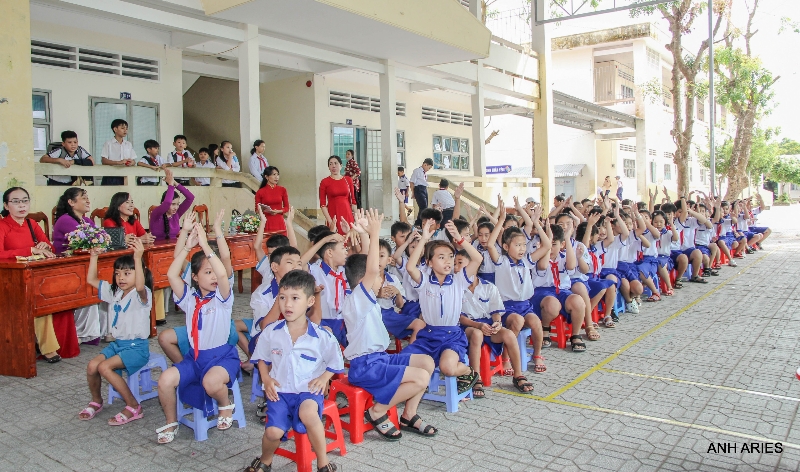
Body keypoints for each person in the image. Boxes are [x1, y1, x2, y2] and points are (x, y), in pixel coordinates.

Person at [342, 209, 437, 441]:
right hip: (365, 366)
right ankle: (377, 410)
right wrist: (375, 234)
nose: (380, 277)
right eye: (376, 276)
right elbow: (371, 268)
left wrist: (364, 232)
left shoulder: (367, 298)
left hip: (380, 358)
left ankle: (409, 414)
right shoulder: (357, 299)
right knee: (421, 378)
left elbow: (366, 263)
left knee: (427, 362)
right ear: (364, 279)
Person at [245, 270, 344, 472]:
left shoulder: (321, 336)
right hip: (280, 393)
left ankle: (323, 463)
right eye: (282, 297)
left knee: (308, 413)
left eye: (295, 298)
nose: (287, 304)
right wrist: (266, 378)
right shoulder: (271, 332)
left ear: (310, 301)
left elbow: (335, 361)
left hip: (307, 391)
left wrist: (325, 377)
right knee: (272, 432)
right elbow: (261, 359)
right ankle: (265, 461)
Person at [155, 222, 239, 444]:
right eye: (207, 272)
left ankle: (225, 404)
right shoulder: (190, 299)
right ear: (194, 277)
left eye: (214, 271)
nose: (213, 276)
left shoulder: (222, 299)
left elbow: (223, 276)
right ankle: (171, 422)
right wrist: (187, 247)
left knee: (211, 383)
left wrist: (206, 247)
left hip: (222, 357)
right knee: (165, 380)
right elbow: (172, 275)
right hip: (195, 358)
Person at [403, 220, 482, 393]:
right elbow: (410, 266)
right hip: (427, 336)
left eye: (450, 257)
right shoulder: (424, 282)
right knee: (403, 361)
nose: (448, 261)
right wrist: (424, 239)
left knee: (448, 368)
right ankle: (415, 389)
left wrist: (460, 240)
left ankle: (470, 372)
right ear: (430, 263)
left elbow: (477, 258)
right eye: (441, 257)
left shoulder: (458, 280)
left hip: (451, 336)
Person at [79, 239, 152, 425]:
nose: (121, 278)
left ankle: (134, 406)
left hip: (136, 348)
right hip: (118, 345)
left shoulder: (142, 295)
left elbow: (141, 286)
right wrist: (94, 257)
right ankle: (96, 401)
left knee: (104, 367)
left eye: (127, 273)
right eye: (118, 273)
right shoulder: (116, 292)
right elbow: (91, 280)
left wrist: (138, 257)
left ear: (139, 273)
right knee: (92, 366)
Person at [486, 202, 551, 373]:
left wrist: (536, 222)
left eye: (523, 245)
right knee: (517, 321)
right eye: (517, 245)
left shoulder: (526, 262)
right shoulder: (501, 262)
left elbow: (547, 245)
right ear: (506, 247)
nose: (522, 249)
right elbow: (491, 245)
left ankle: (537, 355)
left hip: (525, 305)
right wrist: (500, 220)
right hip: (506, 307)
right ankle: (506, 358)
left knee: (536, 323)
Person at [0, 187, 63, 362]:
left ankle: (47, 347)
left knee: (44, 301)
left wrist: (46, 247)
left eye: (25, 200)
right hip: (9, 279)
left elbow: (51, 247)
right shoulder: (2, 225)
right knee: (35, 301)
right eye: (16, 201)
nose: (22, 205)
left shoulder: (31, 224)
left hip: (34, 275)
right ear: (6, 205)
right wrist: (29, 249)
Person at [457, 250, 531, 397]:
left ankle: (518, 375)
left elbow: (495, 311)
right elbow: (460, 318)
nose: (455, 267)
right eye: (454, 263)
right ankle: (475, 377)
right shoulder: (456, 288)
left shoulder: (489, 287)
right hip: (468, 326)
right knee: (477, 334)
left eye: (460, 263)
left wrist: (497, 322)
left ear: (474, 265)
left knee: (509, 335)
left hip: (487, 324)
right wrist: (478, 326)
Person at [53, 187, 103, 344]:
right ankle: (81, 333)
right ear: (71, 202)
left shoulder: (87, 220)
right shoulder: (65, 220)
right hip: (66, 269)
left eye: (88, 197)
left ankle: (92, 332)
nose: (88, 200)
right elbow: (90, 239)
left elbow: (101, 237)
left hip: (85, 265)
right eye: (83, 197)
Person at [304, 231, 349, 345]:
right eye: (343, 249)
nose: (346, 252)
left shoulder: (344, 271)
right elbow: (300, 263)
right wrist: (324, 240)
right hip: (324, 322)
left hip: (345, 322)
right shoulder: (315, 271)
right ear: (329, 252)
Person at [148, 169, 195, 241]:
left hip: (174, 248)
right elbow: (167, 203)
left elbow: (190, 197)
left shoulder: (176, 214)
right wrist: (170, 185)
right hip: (157, 249)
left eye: (177, 204)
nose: (176, 207)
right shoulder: (156, 213)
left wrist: (175, 183)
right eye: (173, 204)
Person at [318, 155, 356, 235]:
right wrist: (330, 221)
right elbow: (322, 204)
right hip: (333, 214)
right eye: (331, 164)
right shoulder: (324, 182)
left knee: (350, 239)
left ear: (341, 166)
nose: (333, 166)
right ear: (328, 167)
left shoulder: (348, 180)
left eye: (336, 163)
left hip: (347, 213)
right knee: (335, 240)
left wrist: (356, 218)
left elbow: (353, 200)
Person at [100, 119, 136, 186]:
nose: (125, 130)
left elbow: (134, 160)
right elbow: (104, 160)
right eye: (122, 128)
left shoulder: (128, 144)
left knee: (125, 195)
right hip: (111, 176)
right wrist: (118, 162)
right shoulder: (108, 144)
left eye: (126, 128)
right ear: (115, 129)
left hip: (126, 175)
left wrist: (132, 162)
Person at [254, 166, 289, 233]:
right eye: (274, 174)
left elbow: (287, 208)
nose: (277, 177)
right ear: (266, 177)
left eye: (278, 174)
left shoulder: (282, 190)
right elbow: (256, 210)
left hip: (279, 222)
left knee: (282, 242)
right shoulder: (260, 192)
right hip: (267, 222)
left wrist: (278, 211)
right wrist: (264, 209)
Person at [409, 158, 433, 227]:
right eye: (428, 167)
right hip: (418, 189)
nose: (428, 169)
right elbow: (412, 182)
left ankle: (420, 222)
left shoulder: (425, 173)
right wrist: (413, 192)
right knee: (423, 206)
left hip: (424, 189)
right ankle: (418, 223)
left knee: (425, 207)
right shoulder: (417, 171)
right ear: (425, 164)